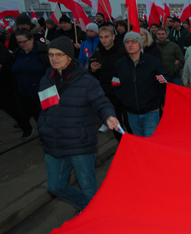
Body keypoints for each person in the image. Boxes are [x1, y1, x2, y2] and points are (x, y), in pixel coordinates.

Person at [37, 36, 119, 212]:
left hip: (80, 144)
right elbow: (45, 109)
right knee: (55, 186)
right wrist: (43, 128)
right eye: (51, 55)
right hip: (54, 144)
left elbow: (101, 103)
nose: (54, 58)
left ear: (69, 56)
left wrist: (109, 116)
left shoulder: (86, 81)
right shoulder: (46, 80)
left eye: (59, 54)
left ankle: (91, 221)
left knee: (88, 188)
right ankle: (85, 207)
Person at [113, 32, 167, 137]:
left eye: (134, 41)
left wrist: (162, 80)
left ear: (140, 44)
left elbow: (165, 78)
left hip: (151, 111)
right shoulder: (120, 64)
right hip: (131, 112)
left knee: (151, 142)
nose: (130, 44)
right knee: (139, 141)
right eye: (127, 42)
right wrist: (125, 100)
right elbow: (115, 84)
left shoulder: (152, 62)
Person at [90, 26, 129, 140]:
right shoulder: (97, 54)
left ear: (113, 37)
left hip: (124, 91)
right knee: (116, 122)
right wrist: (92, 70)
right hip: (108, 92)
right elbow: (93, 77)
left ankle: (134, 142)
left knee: (128, 121)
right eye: (101, 37)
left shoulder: (122, 52)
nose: (104, 40)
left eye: (106, 37)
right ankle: (122, 144)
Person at [11, 30, 51, 138]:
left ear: (32, 40)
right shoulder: (17, 53)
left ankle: (48, 138)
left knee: (46, 118)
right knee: (27, 114)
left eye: (24, 41)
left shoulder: (42, 52)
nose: (22, 44)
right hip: (24, 93)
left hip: (44, 93)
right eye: (19, 42)